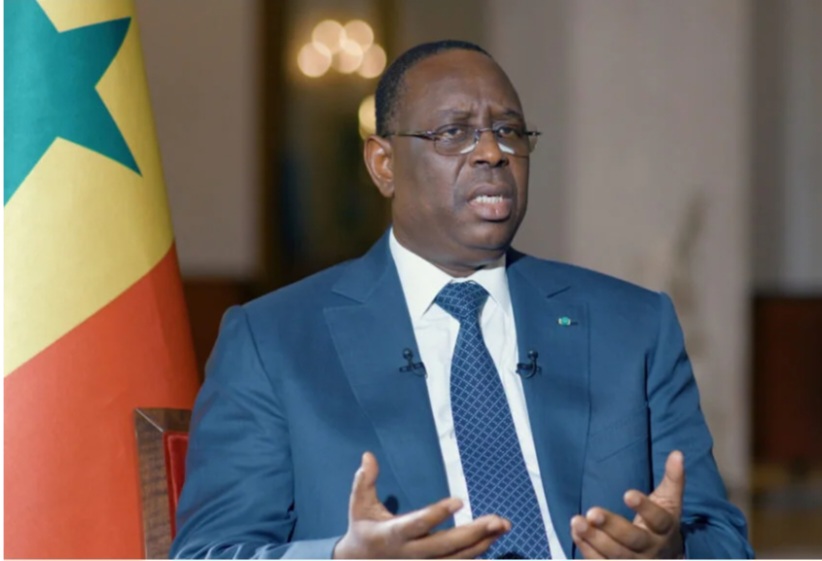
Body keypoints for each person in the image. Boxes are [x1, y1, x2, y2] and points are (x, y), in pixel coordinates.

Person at [171, 39, 754, 560]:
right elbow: (208, 553)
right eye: (454, 133)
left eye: (510, 131)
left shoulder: (633, 326)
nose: (492, 153)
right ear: (383, 165)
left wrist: (672, 551)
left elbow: (724, 541)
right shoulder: (273, 341)